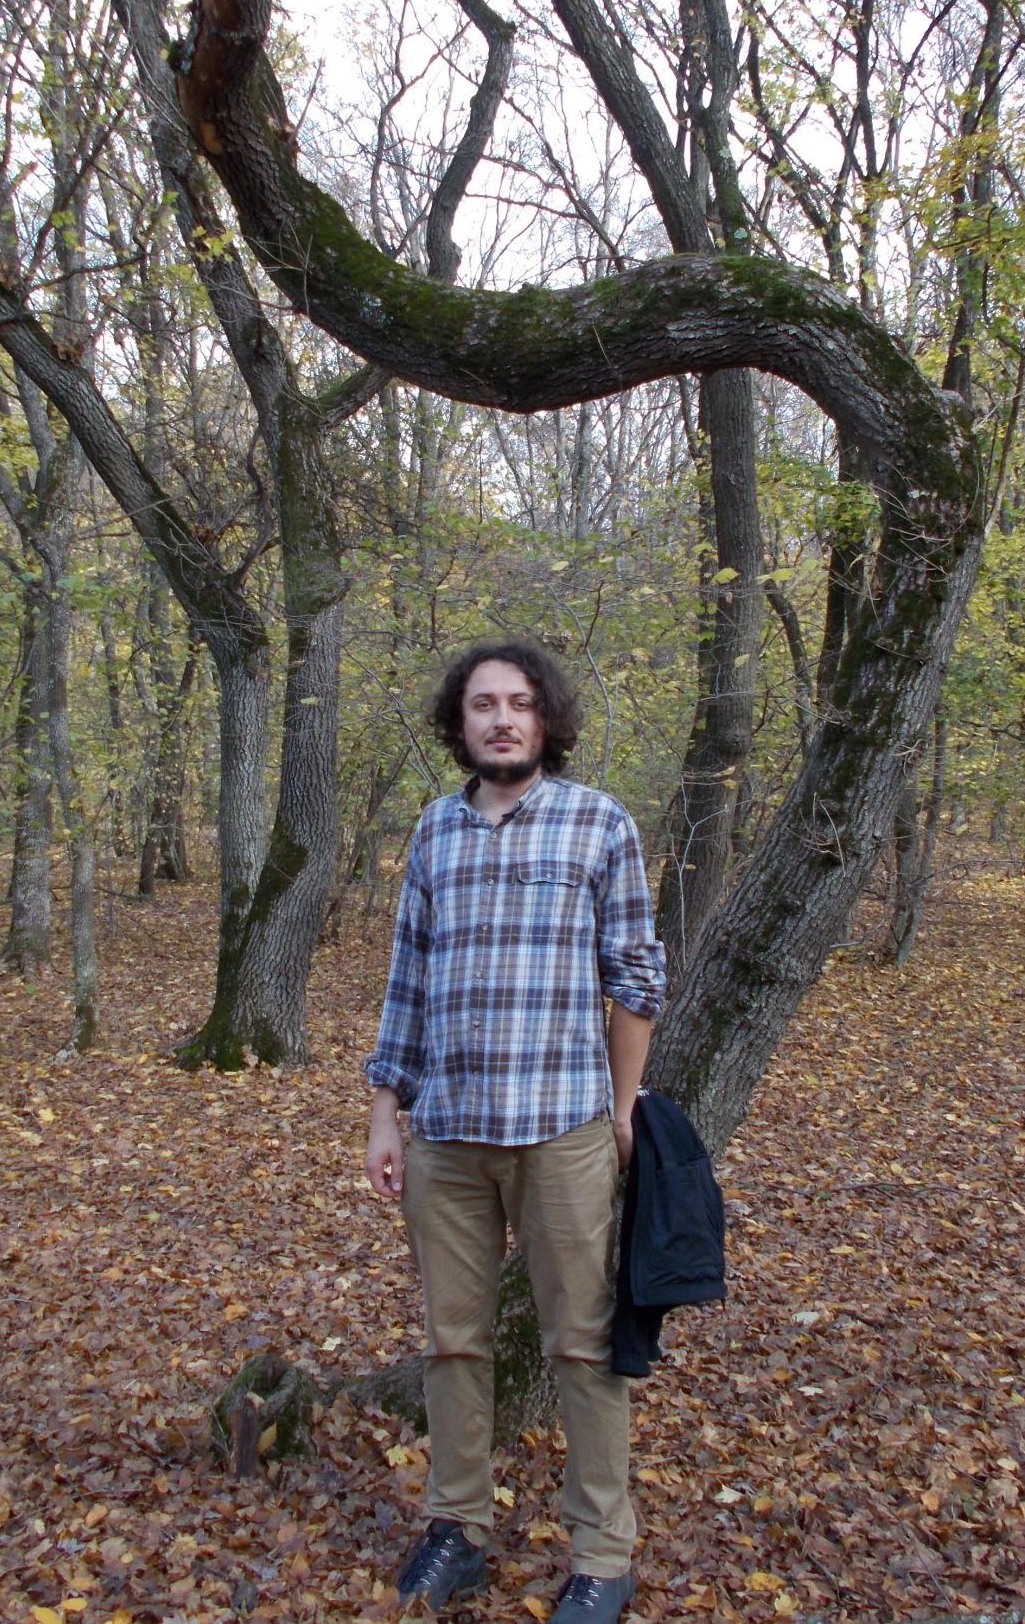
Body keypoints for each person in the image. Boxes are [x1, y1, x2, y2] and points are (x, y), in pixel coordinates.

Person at [364, 639, 665, 1623]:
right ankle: (457, 1528)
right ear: (459, 723)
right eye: (483, 704)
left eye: (519, 703)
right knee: (454, 1343)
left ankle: (603, 1554)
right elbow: (407, 983)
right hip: (445, 1138)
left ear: (546, 720)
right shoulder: (435, 834)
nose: (500, 719)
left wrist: (621, 1111)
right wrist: (384, 1109)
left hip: (561, 1133)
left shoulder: (598, 825)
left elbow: (636, 981)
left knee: (580, 1346)